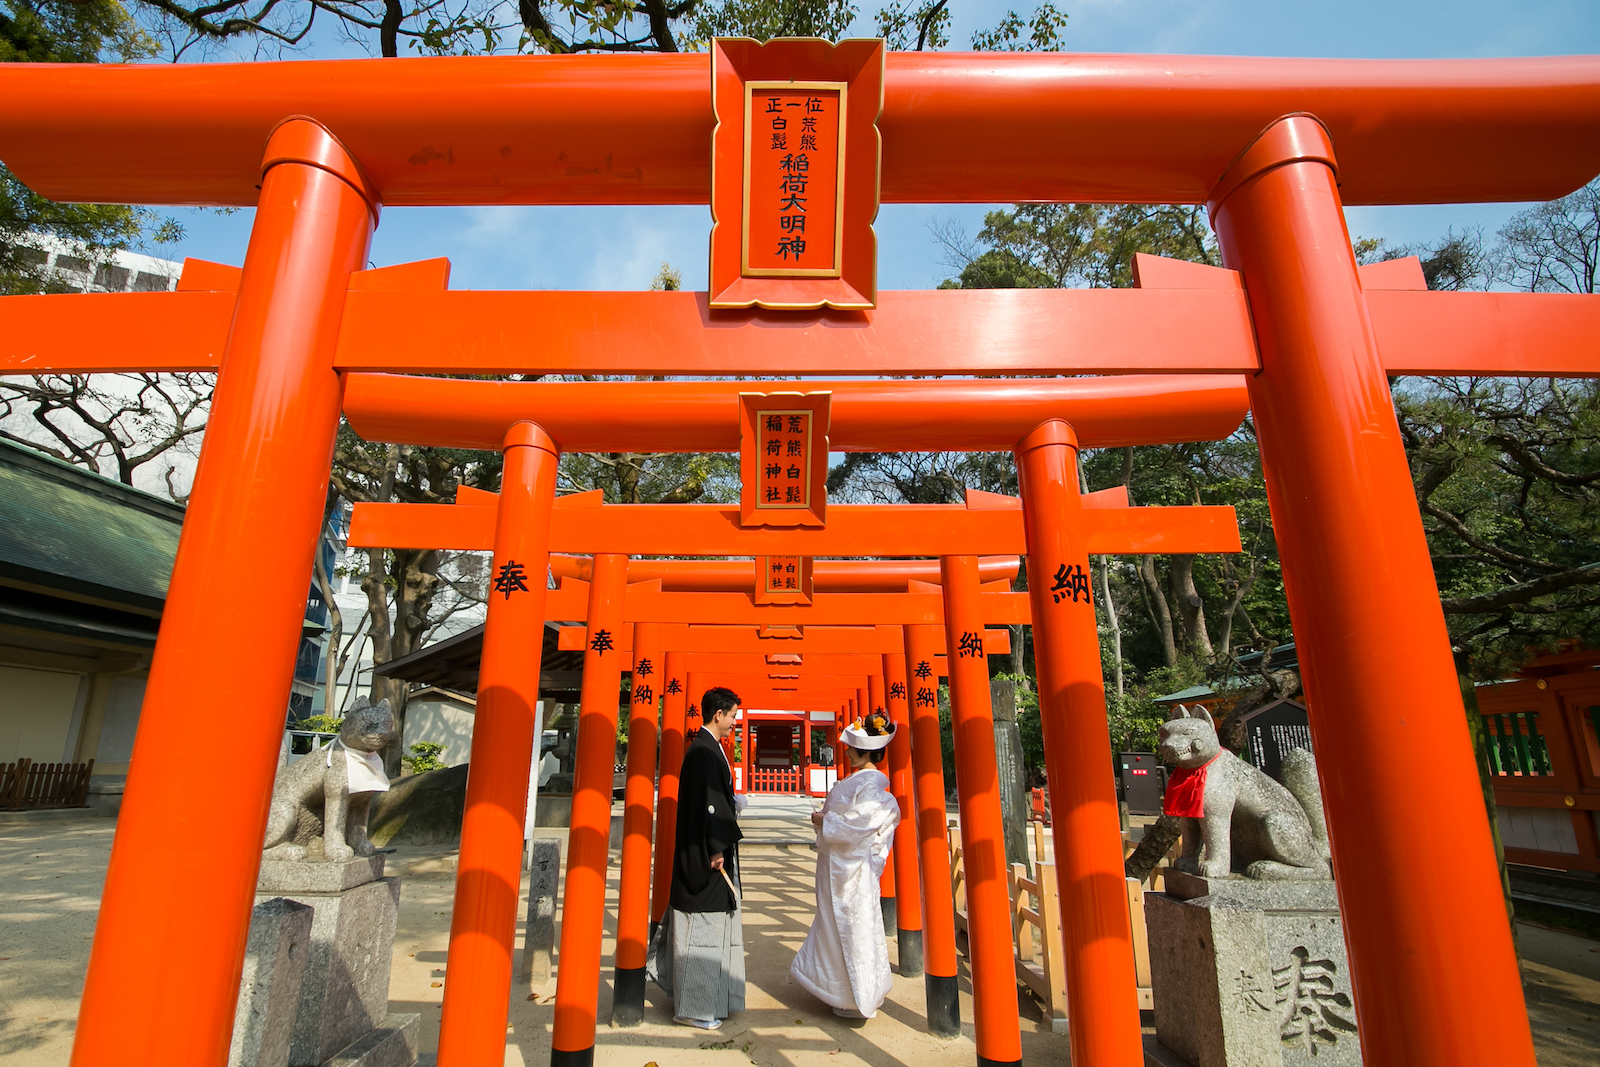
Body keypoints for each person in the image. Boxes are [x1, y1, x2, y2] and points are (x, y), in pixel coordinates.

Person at [790, 710, 901, 1020]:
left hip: (852, 871)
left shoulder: (869, 785)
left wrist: (825, 820)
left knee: (852, 926)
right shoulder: (863, 781)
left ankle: (854, 996)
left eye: (852, 748)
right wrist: (828, 823)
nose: (848, 752)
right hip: (840, 865)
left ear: (864, 750)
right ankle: (839, 989)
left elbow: (861, 822)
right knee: (838, 924)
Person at [653, 686, 746, 1029]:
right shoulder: (705, 752)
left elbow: (715, 800)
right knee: (701, 930)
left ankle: (708, 1000)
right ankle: (693, 1008)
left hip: (703, 849)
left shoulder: (707, 748)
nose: (735, 721)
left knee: (710, 929)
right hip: (703, 859)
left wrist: (731, 806)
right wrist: (716, 846)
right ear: (717, 715)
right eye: (733, 715)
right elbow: (708, 805)